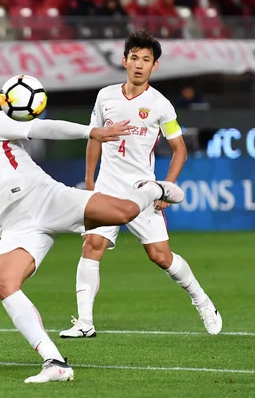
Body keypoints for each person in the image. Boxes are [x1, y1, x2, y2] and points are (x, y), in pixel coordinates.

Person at [0, 77, 185, 383]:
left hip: (45, 197)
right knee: (3, 282)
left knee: (124, 212)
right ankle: (55, 362)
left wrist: (91, 132)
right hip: (17, 226)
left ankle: (155, 189)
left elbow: (41, 128)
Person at [59, 30, 222, 340]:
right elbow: (94, 138)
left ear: (154, 67)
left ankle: (203, 301)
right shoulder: (105, 96)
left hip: (142, 191)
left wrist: (166, 188)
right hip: (106, 189)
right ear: (124, 61)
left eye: (146, 60)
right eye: (134, 57)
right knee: (91, 246)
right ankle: (84, 322)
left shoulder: (160, 105)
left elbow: (180, 150)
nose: (139, 64)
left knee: (160, 256)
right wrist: (91, 182)